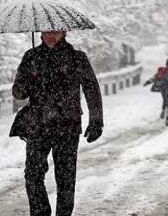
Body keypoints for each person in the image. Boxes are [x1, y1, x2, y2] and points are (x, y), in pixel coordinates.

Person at [9, 31, 103, 216]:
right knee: (33, 176)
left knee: (66, 179)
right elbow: (19, 93)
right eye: (46, 32)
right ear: (40, 33)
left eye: (55, 32)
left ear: (64, 32)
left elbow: (92, 89)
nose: (50, 36)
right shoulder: (31, 56)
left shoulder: (77, 58)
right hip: (38, 126)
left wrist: (96, 121)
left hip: (67, 126)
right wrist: (27, 79)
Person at [144, 57, 168, 126]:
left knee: (167, 102)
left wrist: (147, 82)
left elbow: (154, 77)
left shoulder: (164, 71)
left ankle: (165, 114)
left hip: (166, 89)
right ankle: (166, 117)